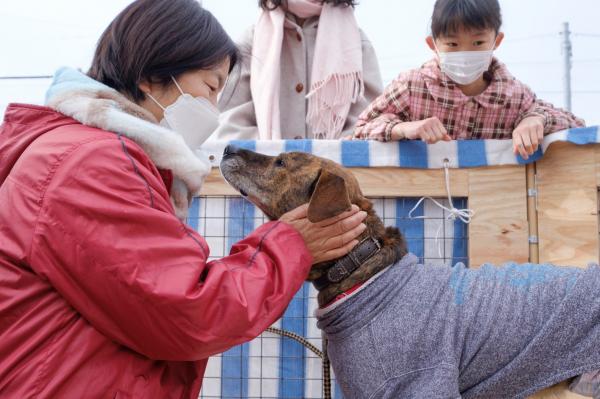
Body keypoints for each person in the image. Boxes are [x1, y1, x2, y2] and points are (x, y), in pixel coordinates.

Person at [0, 0, 367, 397]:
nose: (212, 110)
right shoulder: (91, 163)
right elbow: (186, 310)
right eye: (210, 87)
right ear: (151, 76)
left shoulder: (75, 152)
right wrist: (290, 244)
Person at [352, 0, 585, 160]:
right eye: (452, 44)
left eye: (478, 43)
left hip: (490, 214)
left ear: (497, 40)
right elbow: (361, 129)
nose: (465, 52)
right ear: (433, 45)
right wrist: (403, 128)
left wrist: (535, 119)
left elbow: (576, 124)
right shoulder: (412, 86)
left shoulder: (513, 96)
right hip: (419, 210)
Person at [212, 0, 383, 140]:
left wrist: (322, 164)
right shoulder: (252, 41)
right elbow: (230, 126)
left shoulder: (356, 44)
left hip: (332, 177)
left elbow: (370, 123)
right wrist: (276, 161)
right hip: (266, 175)